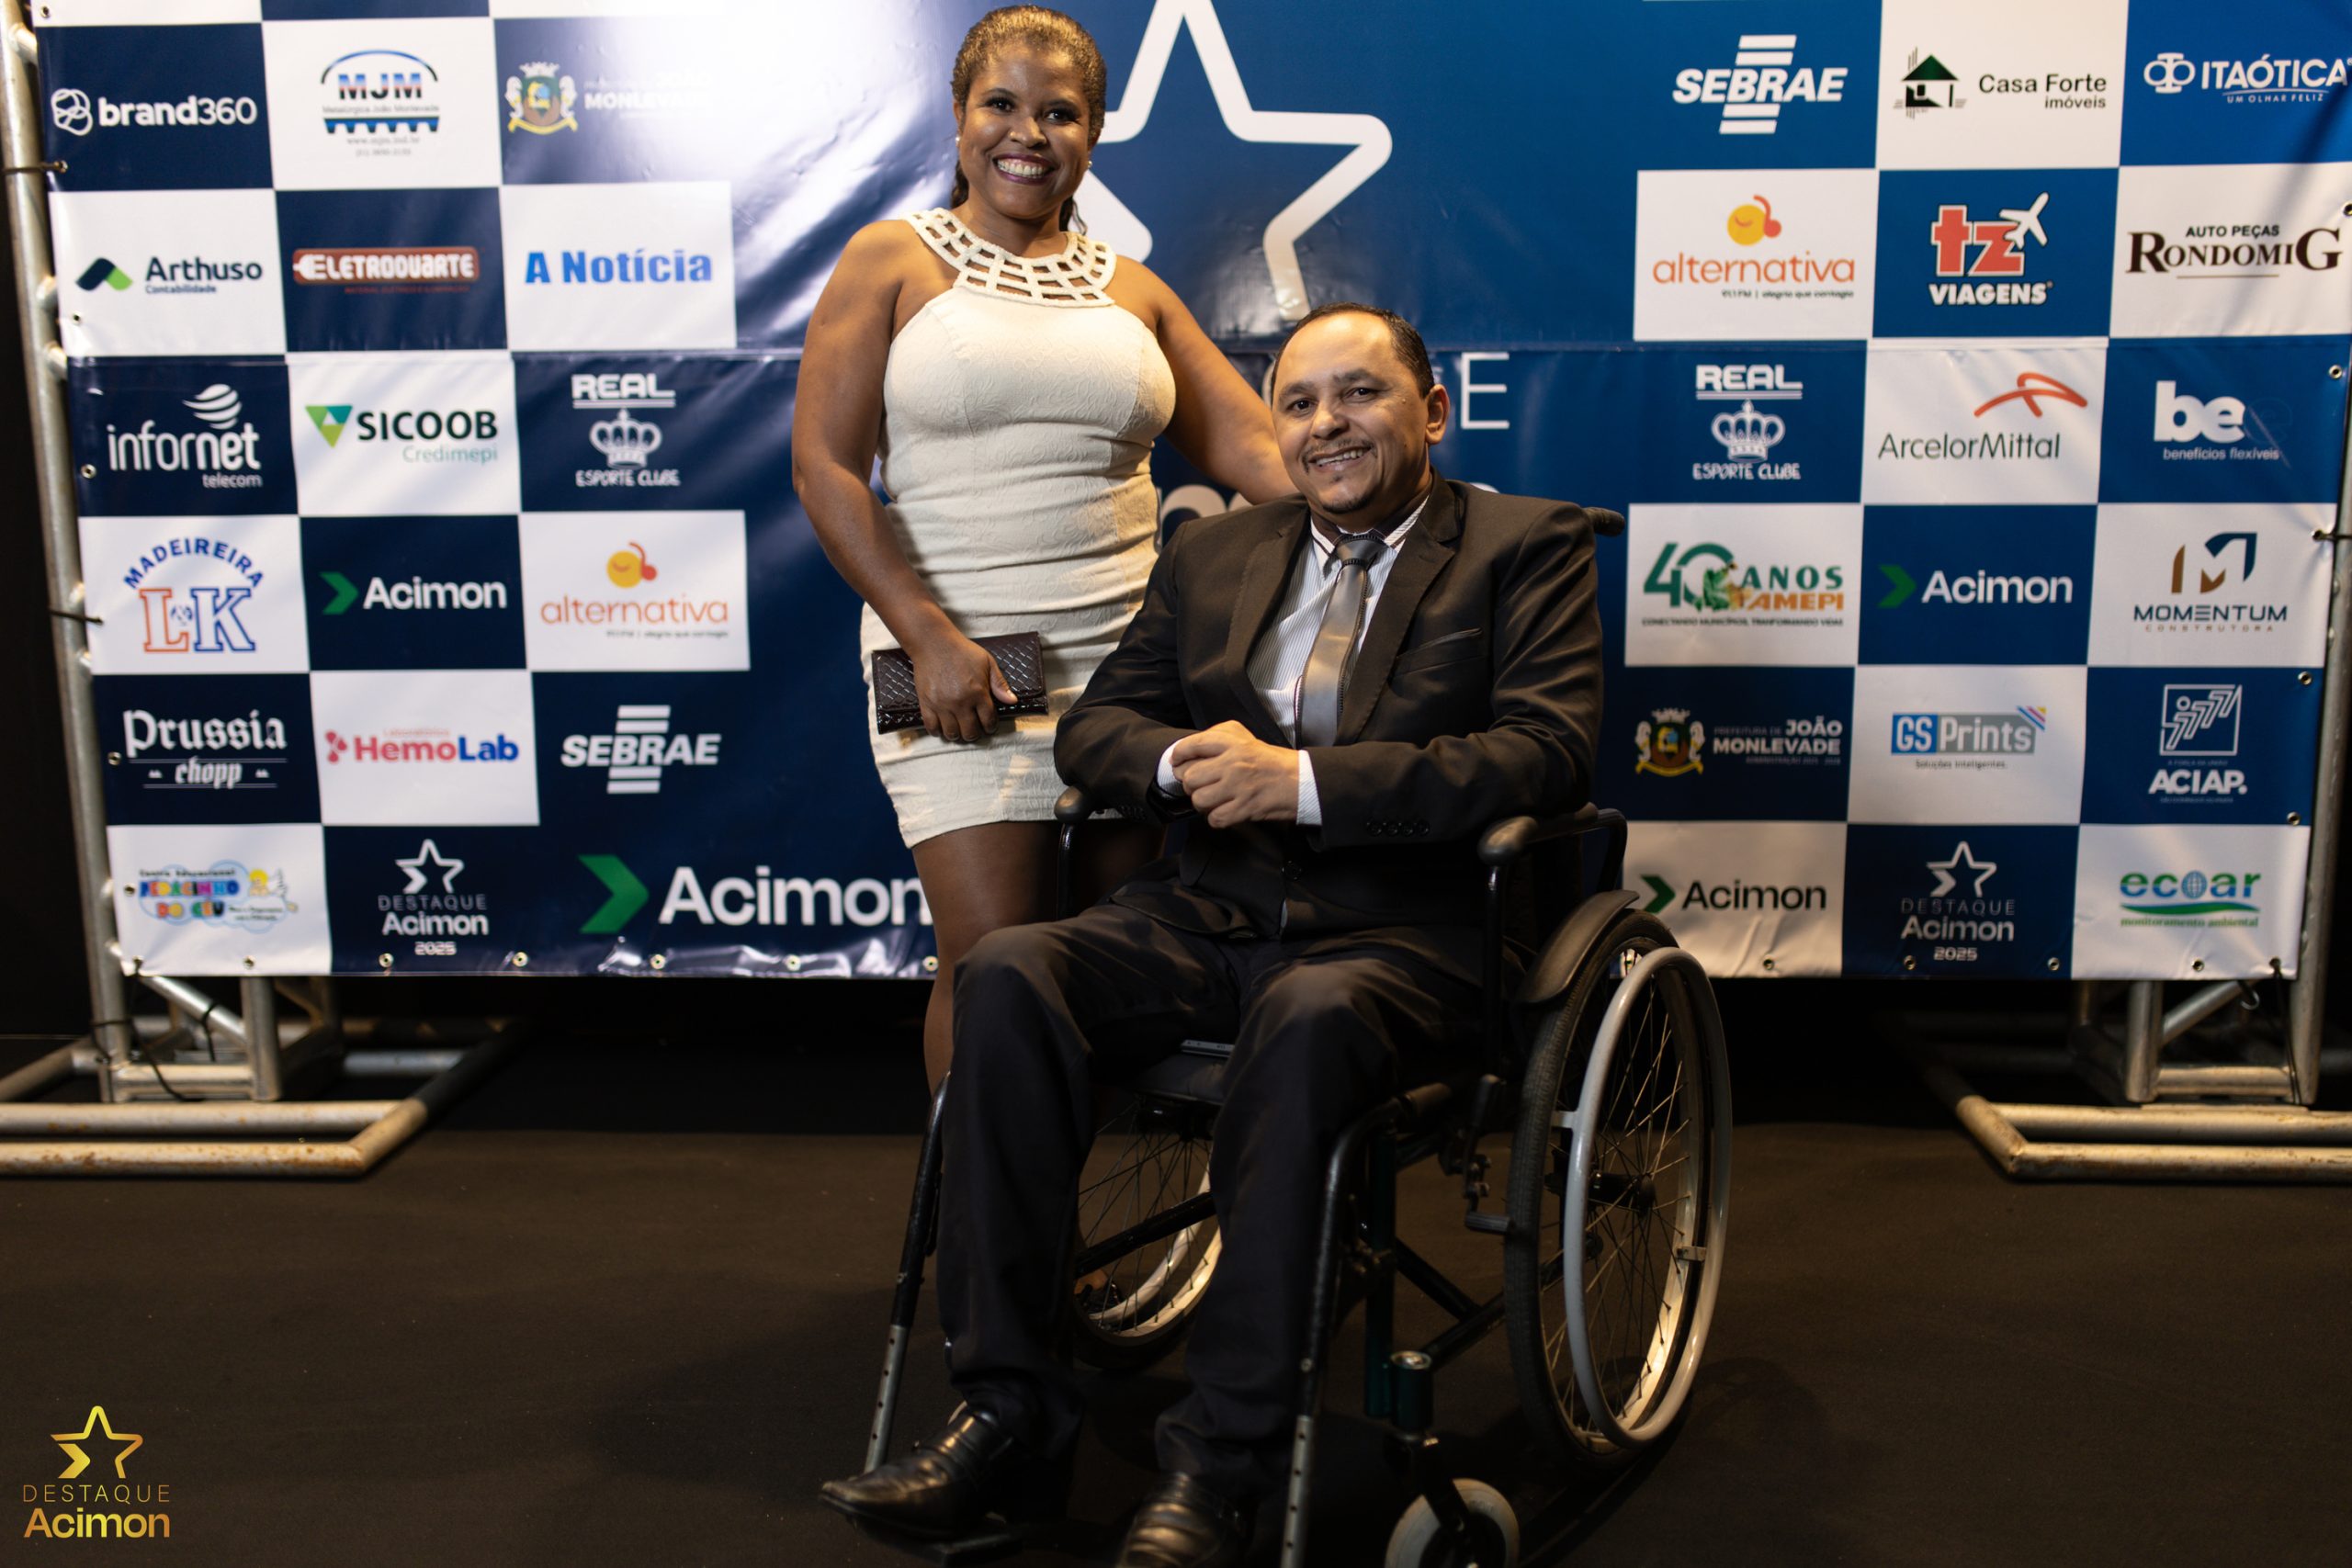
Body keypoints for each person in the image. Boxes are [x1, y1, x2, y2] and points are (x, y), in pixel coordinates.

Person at [822, 303, 1603, 1567]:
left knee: (1309, 1012)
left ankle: (1220, 1465)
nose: (1326, 424)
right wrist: (1185, 763)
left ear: (1431, 412)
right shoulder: (1217, 552)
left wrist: (1303, 782)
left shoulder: (1527, 544)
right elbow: (1098, 729)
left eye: (1359, 394)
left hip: (1406, 937)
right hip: (1210, 913)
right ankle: (1007, 1414)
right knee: (1008, 970)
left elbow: (1547, 751)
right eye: (1298, 402)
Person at [793, 6, 1289, 1087]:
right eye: (1001, 104)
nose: (1028, 132)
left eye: (1059, 112)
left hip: (1126, 672)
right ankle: (985, 1198)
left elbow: (1255, 448)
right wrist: (926, 638)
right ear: (959, 116)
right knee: (990, 961)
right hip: (960, 664)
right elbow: (824, 470)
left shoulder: (1131, 287)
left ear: (1093, 133)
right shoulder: (892, 259)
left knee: (1109, 961)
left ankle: (1076, 1195)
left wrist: (1414, 513)